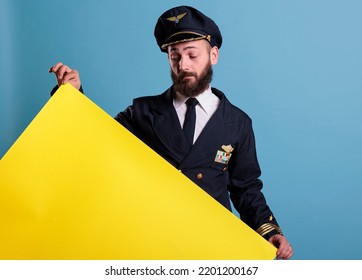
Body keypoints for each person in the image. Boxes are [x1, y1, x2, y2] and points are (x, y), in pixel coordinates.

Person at [49, 5, 293, 260]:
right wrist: (72, 96)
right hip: (151, 243)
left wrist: (269, 231)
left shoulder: (238, 123)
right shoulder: (142, 112)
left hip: (211, 247)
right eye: (174, 55)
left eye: (192, 54)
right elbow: (98, 143)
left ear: (213, 55)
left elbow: (246, 188)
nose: (183, 64)